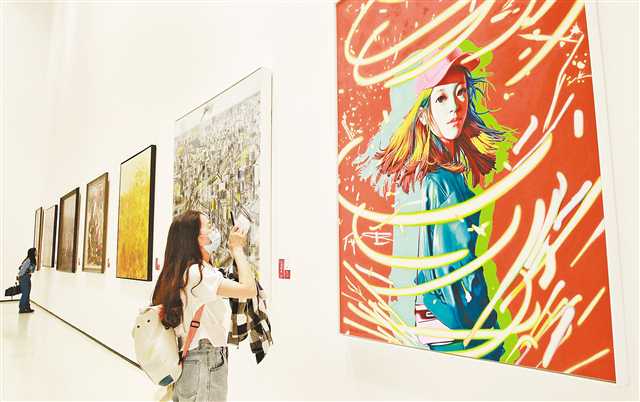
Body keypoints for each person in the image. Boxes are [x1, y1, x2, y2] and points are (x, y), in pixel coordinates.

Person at [372, 48, 507, 360]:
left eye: (460, 93)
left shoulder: (441, 175)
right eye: (441, 98)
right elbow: (454, 271)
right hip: (458, 330)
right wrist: (482, 327)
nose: (454, 107)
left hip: (445, 326)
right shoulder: (441, 182)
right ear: (424, 113)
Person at [152, 210, 257, 402]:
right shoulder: (197, 273)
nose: (214, 230)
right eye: (209, 226)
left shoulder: (185, 270)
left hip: (193, 359)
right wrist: (237, 249)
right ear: (196, 238)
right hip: (204, 360)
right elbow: (249, 289)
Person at [16, 248, 37, 314]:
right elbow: (22, 269)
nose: (36, 252)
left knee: (27, 293)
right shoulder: (29, 260)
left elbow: (31, 270)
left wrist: (29, 272)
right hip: (24, 277)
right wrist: (19, 276)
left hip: (27, 277)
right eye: (35, 251)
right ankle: (21, 308)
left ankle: (27, 308)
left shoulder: (32, 260)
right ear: (32, 253)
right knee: (25, 293)